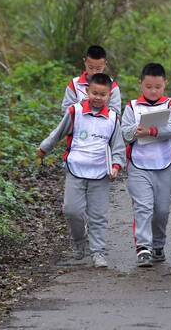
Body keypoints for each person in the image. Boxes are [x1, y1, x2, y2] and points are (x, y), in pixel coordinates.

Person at [37, 73, 125, 268]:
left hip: (100, 174)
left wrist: (116, 166)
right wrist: (44, 148)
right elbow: (58, 133)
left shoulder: (112, 119)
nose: (98, 97)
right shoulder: (74, 112)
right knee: (72, 210)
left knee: (98, 215)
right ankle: (79, 242)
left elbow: (118, 147)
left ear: (109, 96)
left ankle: (98, 252)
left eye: (103, 94)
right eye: (94, 93)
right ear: (87, 91)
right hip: (75, 169)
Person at [120, 63, 171, 267]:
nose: (153, 91)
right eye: (148, 87)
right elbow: (124, 133)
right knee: (143, 207)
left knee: (162, 210)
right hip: (139, 165)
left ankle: (158, 244)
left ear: (165, 85)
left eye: (157, 86)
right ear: (140, 84)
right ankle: (143, 247)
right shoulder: (132, 106)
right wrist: (135, 132)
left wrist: (153, 131)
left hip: (163, 164)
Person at [62, 45, 122, 114]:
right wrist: (82, 105)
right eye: (90, 67)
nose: (94, 72)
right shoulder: (74, 84)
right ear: (85, 62)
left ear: (105, 64)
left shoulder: (112, 86)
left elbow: (116, 114)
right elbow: (65, 111)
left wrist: (99, 106)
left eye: (98, 68)